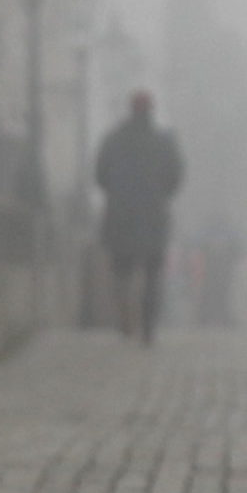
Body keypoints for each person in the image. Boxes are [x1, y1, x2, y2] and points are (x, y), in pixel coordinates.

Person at [91, 92, 186, 348]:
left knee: (122, 270)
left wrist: (119, 192)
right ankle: (148, 328)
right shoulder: (163, 142)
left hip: (120, 214)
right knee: (152, 275)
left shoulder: (113, 140)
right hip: (153, 215)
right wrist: (158, 193)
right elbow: (175, 177)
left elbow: (100, 175)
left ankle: (124, 313)